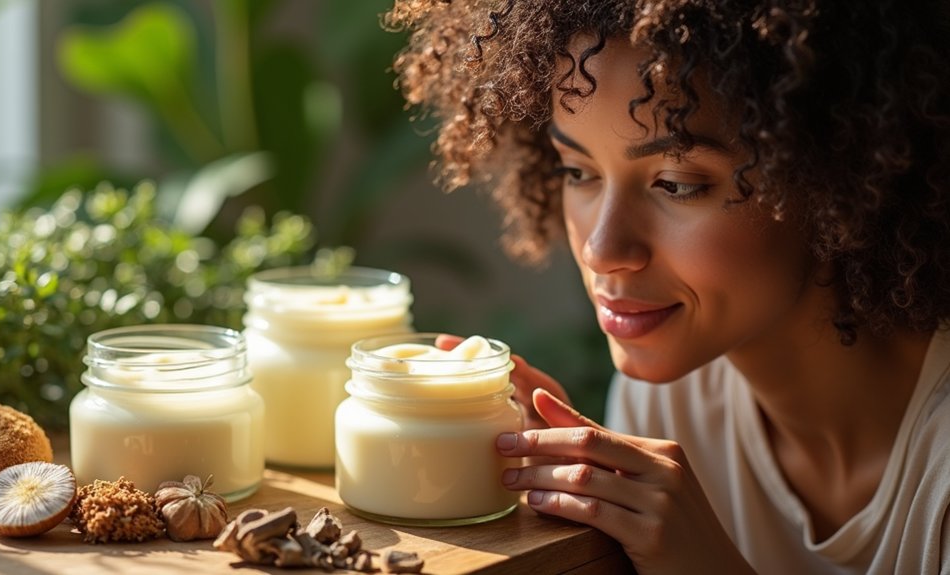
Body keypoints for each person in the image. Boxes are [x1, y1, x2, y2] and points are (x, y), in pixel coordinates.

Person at [385, 1, 950, 573]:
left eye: (677, 184)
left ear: (839, 180)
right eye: (578, 172)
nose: (600, 250)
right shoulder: (670, 399)